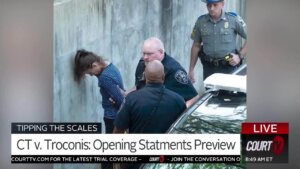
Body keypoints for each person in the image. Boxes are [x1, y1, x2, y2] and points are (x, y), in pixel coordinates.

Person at [113, 60, 187, 134]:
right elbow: (184, 129)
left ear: (144, 76)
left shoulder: (131, 99)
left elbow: (118, 129)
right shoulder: (178, 100)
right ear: (163, 76)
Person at [129, 37, 198, 106]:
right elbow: (138, 86)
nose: (145, 57)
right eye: (144, 53)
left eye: (149, 54)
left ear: (161, 52)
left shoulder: (174, 70)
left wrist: (179, 114)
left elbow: (193, 98)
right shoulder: (143, 63)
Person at [189, 0, 247, 81]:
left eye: (215, 5)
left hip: (228, 63)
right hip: (209, 67)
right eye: (209, 5)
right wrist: (191, 69)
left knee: (228, 93)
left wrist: (239, 56)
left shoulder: (233, 19)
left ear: (222, 4)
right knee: (210, 93)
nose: (211, 8)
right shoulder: (201, 22)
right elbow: (196, 45)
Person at [74, 49, 125, 134]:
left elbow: (120, 100)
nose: (91, 75)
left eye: (90, 73)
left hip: (113, 117)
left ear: (94, 65)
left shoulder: (104, 77)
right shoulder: (109, 65)